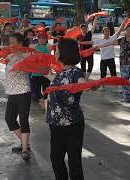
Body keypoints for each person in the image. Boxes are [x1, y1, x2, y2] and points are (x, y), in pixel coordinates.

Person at [45, 38, 86, 180]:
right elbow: (54, 80)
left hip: (72, 124)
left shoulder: (75, 72)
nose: (54, 52)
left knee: (74, 163)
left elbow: (82, 83)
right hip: (55, 124)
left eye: (56, 50)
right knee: (56, 160)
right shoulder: (60, 72)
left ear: (64, 53)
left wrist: (90, 85)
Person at [4, 33, 32, 161]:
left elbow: (35, 57)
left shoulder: (26, 55)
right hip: (11, 92)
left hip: (23, 92)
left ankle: (25, 149)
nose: (11, 45)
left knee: (23, 120)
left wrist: (21, 52)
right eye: (9, 42)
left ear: (20, 43)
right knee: (9, 118)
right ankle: (25, 143)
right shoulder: (9, 56)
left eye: (13, 42)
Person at [29, 31, 52, 110]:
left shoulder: (47, 46)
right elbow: (29, 47)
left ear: (46, 39)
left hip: (45, 73)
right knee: (37, 92)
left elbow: (50, 58)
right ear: (37, 39)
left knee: (46, 91)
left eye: (44, 38)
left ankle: (46, 106)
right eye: (40, 38)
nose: (41, 40)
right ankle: (43, 103)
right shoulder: (34, 47)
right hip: (36, 73)